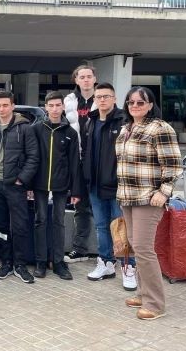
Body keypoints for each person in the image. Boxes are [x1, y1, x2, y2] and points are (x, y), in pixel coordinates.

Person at [116, 86, 182, 320]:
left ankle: (155, 304)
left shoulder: (160, 128)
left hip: (149, 197)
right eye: (131, 102)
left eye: (140, 102)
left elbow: (173, 164)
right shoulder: (126, 129)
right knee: (136, 247)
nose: (135, 106)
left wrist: (164, 192)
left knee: (144, 249)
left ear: (151, 105)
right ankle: (143, 294)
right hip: (128, 196)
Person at [0, 91, 39, 283]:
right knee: (0, 225)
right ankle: (6, 263)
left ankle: (20, 265)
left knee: (20, 225)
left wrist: (22, 179)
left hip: (15, 185)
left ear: (13, 106)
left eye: (5, 105)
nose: (2, 109)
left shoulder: (25, 128)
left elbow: (33, 157)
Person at [82, 83, 137, 290]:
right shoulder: (91, 121)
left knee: (122, 227)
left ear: (114, 98)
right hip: (95, 186)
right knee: (101, 226)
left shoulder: (124, 121)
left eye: (106, 96)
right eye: (99, 97)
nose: (102, 100)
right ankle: (106, 263)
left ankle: (128, 267)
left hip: (117, 186)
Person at [32, 91, 82, 280]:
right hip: (39, 184)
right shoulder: (36, 129)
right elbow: (31, 157)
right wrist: (28, 185)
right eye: (51, 105)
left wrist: (75, 190)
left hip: (61, 184)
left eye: (58, 105)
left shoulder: (70, 133)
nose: (54, 109)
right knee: (40, 220)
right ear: (45, 107)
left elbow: (75, 162)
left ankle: (59, 262)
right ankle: (41, 261)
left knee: (59, 222)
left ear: (63, 107)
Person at [64, 65, 97, 263]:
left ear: (94, 79)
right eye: (82, 77)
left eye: (89, 76)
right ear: (76, 80)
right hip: (77, 160)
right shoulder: (69, 101)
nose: (86, 80)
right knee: (81, 207)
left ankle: (110, 252)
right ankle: (80, 249)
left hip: (98, 160)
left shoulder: (102, 99)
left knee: (104, 208)